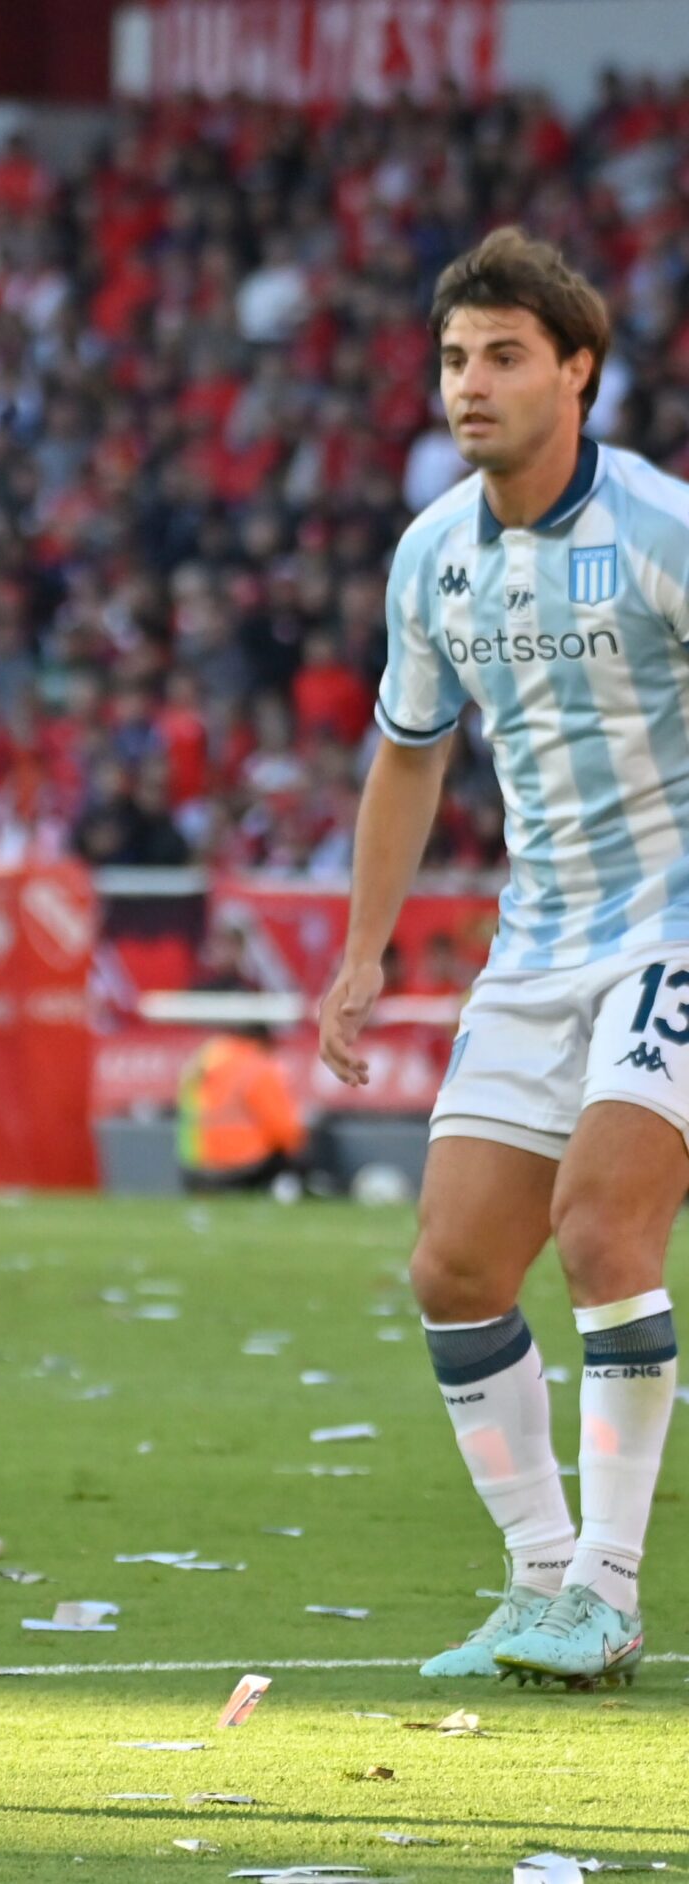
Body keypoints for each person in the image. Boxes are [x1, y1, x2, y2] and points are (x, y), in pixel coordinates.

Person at [320, 228, 685, 1690]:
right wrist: (362, 953)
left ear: (577, 371)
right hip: (537, 943)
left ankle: (607, 1587)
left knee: (601, 1231)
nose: (469, 384)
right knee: (455, 1265)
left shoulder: (660, 528)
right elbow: (409, 755)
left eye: (505, 357)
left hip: (675, 925)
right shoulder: (434, 553)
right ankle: (538, 1577)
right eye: (455, 359)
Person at [176, 1023, 305, 1193]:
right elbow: (285, 1132)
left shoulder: (206, 1062)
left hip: (196, 1170)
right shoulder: (257, 1067)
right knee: (298, 1151)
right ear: (263, 1040)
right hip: (244, 1168)